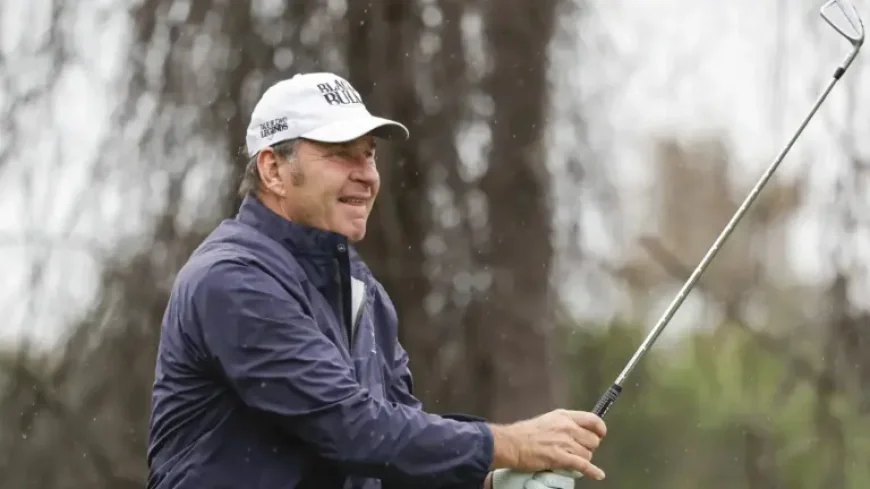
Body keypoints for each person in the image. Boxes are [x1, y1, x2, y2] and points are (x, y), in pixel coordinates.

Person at [147, 72, 608, 489]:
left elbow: (391, 454)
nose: (366, 175)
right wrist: (509, 444)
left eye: (369, 155)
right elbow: (352, 429)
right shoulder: (233, 280)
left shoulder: (362, 291)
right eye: (340, 155)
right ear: (273, 170)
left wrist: (491, 482)